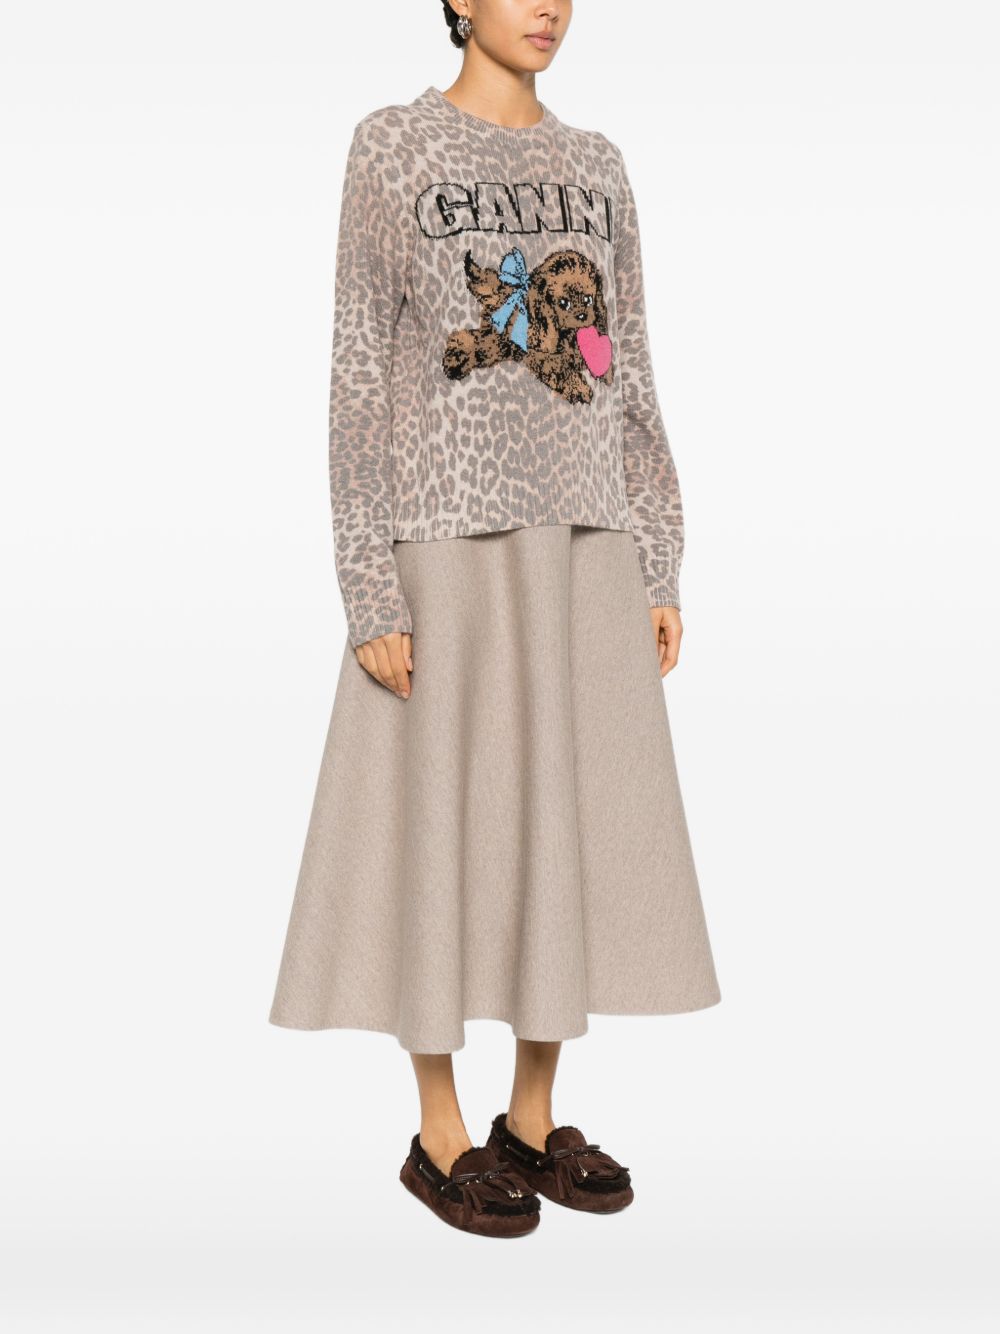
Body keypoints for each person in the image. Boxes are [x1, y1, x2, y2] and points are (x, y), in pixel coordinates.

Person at [269, 0, 722, 1239]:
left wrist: (659, 557)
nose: (548, 6)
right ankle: (440, 1130)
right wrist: (368, 583)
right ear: (456, 0)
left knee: (556, 824)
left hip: (585, 539)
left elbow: (627, 365)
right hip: (443, 536)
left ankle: (531, 1114)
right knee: (441, 824)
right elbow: (357, 373)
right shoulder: (393, 144)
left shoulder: (597, 163)